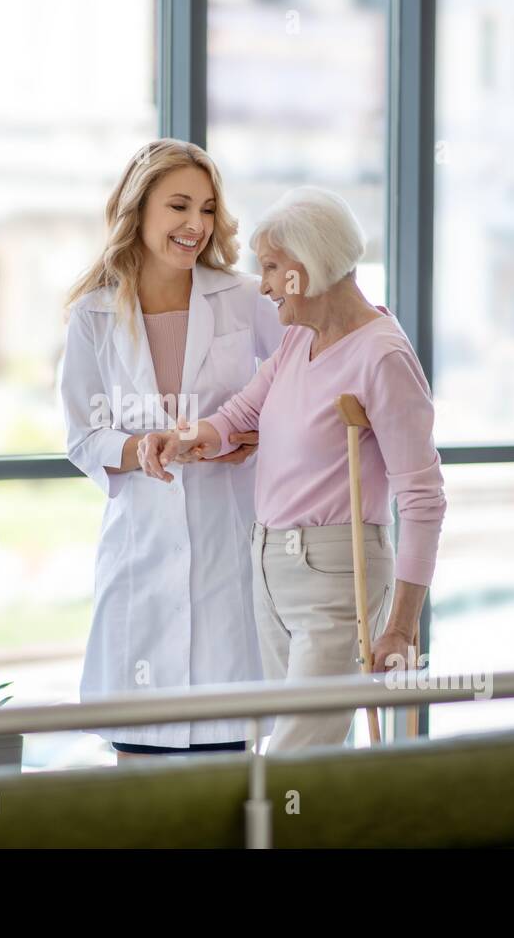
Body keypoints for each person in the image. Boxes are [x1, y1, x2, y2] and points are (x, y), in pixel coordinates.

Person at [138, 186, 447, 753]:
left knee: (291, 759)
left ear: (311, 265)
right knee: (310, 759)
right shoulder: (299, 339)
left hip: (336, 572)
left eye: (274, 269)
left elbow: (424, 500)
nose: (265, 285)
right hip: (270, 569)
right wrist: (181, 438)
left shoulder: (383, 355)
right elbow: (240, 413)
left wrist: (401, 625)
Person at [58, 139, 284, 761]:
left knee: (228, 768)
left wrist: (254, 434)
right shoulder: (94, 316)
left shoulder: (240, 298)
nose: (195, 225)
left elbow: (301, 377)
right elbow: (82, 434)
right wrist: (139, 448)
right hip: (141, 551)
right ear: (139, 211)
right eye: (179, 206)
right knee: (142, 787)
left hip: (226, 541)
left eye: (207, 209)